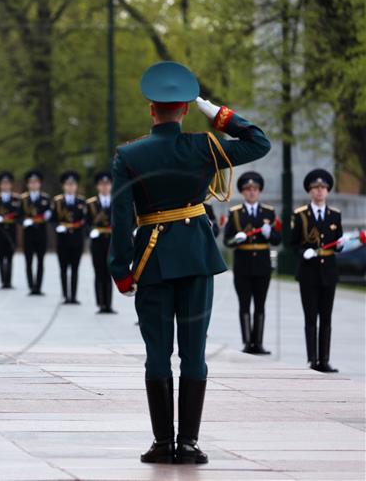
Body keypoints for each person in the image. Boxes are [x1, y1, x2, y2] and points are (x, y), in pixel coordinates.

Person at [109, 61, 271, 464]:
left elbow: (121, 218)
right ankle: (190, 444)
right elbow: (258, 142)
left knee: (158, 353)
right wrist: (214, 111)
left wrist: (121, 270)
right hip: (198, 260)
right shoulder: (205, 146)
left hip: (152, 261)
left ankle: (163, 444)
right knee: (194, 353)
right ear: (184, 109)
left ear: (152, 110)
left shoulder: (128, 155)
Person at [291, 169, 343, 373]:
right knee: (311, 316)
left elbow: (337, 242)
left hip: (329, 272)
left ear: (328, 191)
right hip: (309, 272)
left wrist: (341, 245)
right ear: (310, 191)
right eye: (316, 188)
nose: (319, 191)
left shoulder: (335, 215)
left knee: (326, 317)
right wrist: (304, 252)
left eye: (323, 188)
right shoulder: (301, 214)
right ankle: (312, 359)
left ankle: (325, 359)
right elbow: (293, 243)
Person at [223, 172, 281, 354]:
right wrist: (236, 239)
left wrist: (268, 234)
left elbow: (277, 240)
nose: (252, 192)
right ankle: (248, 342)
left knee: (261, 304)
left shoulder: (268, 213)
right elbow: (227, 241)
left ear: (259, 191)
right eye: (248, 190)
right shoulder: (235, 213)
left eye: (255, 189)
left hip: (262, 265)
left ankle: (259, 343)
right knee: (245, 304)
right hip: (243, 264)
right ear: (242, 192)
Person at [51, 171, 86, 305]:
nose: (70, 187)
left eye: (73, 184)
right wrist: (57, 227)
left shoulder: (82, 202)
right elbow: (53, 220)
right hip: (63, 241)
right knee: (64, 269)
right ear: (64, 186)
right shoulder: (58, 201)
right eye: (68, 184)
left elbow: (85, 220)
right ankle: (65, 295)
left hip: (77, 240)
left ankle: (74, 296)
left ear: (76, 186)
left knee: (75, 269)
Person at [86, 171, 116, 314]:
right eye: (102, 185)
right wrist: (90, 231)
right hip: (97, 241)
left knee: (109, 272)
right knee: (99, 272)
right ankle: (101, 304)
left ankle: (109, 304)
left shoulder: (116, 201)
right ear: (98, 186)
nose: (105, 187)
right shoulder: (91, 204)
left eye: (107, 184)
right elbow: (85, 223)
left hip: (111, 241)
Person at [19, 169, 51, 295]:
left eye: (36, 182)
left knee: (40, 261)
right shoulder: (23, 199)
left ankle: (38, 287)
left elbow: (50, 214)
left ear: (40, 184)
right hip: (28, 234)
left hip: (41, 234)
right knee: (28, 261)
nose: (34, 185)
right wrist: (24, 222)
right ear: (28, 184)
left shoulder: (45, 198)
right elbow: (18, 216)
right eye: (31, 182)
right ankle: (31, 286)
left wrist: (48, 215)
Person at [0, 171, 21, 289]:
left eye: (8, 184)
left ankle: (9, 281)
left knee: (10, 256)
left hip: (11, 231)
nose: (5, 186)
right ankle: (3, 280)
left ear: (11, 185)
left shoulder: (16, 199)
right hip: (0, 231)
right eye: (3, 184)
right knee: (1, 257)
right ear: (0, 185)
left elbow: (19, 215)